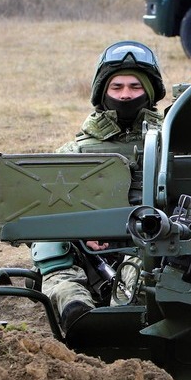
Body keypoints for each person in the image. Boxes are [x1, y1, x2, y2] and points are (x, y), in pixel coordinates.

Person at [32, 40, 166, 330]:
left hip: (151, 240)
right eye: (117, 88)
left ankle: (120, 318)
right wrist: (85, 230)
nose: (126, 95)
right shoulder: (76, 150)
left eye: (135, 87)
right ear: (103, 92)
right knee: (50, 243)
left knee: (148, 263)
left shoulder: (171, 144)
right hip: (91, 248)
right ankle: (72, 304)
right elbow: (44, 207)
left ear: (150, 92)